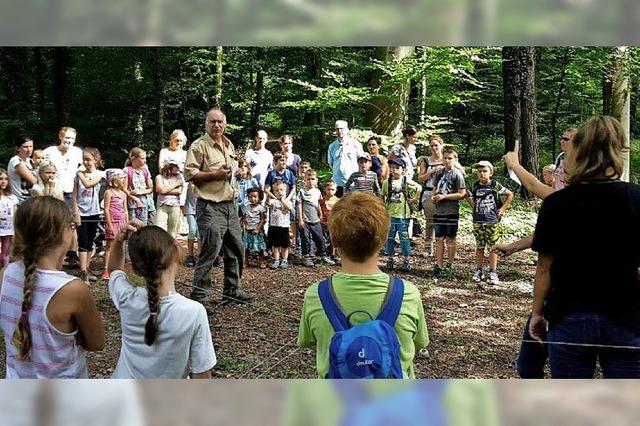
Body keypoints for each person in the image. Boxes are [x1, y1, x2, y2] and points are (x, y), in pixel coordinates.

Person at [529, 116, 640, 378]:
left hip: (568, 317)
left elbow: (544, 269)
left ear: (579, 149)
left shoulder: (556, 203)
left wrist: (537, 313)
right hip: (626, 318)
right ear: (619, 150)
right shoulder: (636, 198)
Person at [297, 192, 429, 378]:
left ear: (333, 240)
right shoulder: (408, 294)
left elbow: (307, 341)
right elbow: (419, 343)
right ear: (383, 239)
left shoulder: (316, 295)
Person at [0, 196, 105, 378]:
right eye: (72, 227)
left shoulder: (5, 274)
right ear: (63, 233)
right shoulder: (73, 290)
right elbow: (97, 343)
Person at [107, 222, 216, 378]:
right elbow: (202, 374)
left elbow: (114, 271)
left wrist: (118, 241)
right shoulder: (193, 312)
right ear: (176, 253)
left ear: (136, 270)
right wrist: (153, 235)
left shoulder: (126, 298)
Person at [184, 108, 254, 315]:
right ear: (206, 124)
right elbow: (190, 175)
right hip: (209, 205)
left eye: (220, 122)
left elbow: (229, 172)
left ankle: (232, 290)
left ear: (225, 124)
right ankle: (199, 297)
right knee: (210, 250)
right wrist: (216, 174)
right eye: (212, 122)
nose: (216, 125)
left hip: (229, 204)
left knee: (236, 248)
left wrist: (239, 172)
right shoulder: (199, 146)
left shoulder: (228, 144)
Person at [466, 161, 513, 285]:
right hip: (478, 220)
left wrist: (502, 209)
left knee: (493, 247)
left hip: (492, 220)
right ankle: (479, 270)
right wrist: (474, 206)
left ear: (491, 172)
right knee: (480, 246)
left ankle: (493, 271)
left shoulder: (494, 185)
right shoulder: (475, 186)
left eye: (484, 171)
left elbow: (509, 194)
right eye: (479, 171)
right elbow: (468, 194)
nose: (482, 173)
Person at [72, 148, 106, 285]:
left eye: (88, 159)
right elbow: (74, 195)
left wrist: (80, 174)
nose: (86, 162)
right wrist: (75, 212)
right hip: (82, 212)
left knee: (90, 240)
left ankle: (87, 268)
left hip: (94, 211)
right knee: (82, 240)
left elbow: (88, 183)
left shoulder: (100, 174)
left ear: (96, 160)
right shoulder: (77, 176)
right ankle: (83, 271)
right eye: (84, 159)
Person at [381, 158, 421, 271]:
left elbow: (419, 188)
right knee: (389, 238)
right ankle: (390, 259)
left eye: (397, 168)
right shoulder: (386, 182)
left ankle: (406, 260)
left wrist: (413, 199)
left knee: (404, 239)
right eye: (392, 168)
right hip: (389, 215)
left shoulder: (406, 181)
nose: (394, 170)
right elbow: (382, 196)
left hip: (404, 215)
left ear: (403, 170)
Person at [431, 147, 466, 277]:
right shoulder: (439, 173)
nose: (447, 160)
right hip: (438, 211)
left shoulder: (457, 174)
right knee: (439, 238)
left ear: (455, 160)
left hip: (451, 211)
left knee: (451, 238)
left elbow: (462, 194)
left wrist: (445, 197)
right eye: (445, 158)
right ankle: (439, 265)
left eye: (450, 158)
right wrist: (434, 197)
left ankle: (449, 265)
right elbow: (434, 189)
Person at [297, 169, 335, 267]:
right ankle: (306, 256)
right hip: (305, 220)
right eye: (308, 179)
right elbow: (299, 205)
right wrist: (300, 219)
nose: (310, 181)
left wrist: (320, 214)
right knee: (305, 239)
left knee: (319, 238)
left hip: (315, 219)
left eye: (313, 179)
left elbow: (318, 204)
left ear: (316, 180)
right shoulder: (301, 191)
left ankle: (323, 255)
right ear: (304, 180)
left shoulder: (317, 191)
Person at [417, 135, 445, 258]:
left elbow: (460, 171)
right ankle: (428, 247)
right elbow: (420, 178)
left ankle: (442, 246)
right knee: (430, 222)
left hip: (445, 194)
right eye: (432, 145)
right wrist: (432, 172)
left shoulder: (448, 159)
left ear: (441, 146)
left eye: (436, 145)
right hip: (428, 194)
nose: (434, 148)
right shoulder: (426, 161)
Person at [43, 127, 83, 206]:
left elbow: (83, 167)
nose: (69, 141)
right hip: (54, 191)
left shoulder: (78, 152)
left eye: (72, 138)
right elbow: (41, 169)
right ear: (60, 137)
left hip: (72, 192)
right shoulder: (49, 151)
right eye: (67, 137)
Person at [101, 169, 129, 280]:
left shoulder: (123, 194)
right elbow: (106, 209)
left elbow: (125, 209)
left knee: (121, 246)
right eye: (121, 178)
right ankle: (106, 269)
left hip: (122, 223)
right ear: (114, 180)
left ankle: (120, 269)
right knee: (110, 246)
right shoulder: (109, 192)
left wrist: (127, 223)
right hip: (113, 222)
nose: (123, 180)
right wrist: (109, 224)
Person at [327, 120, 364, 197]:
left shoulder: (356, 144)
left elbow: (361, 162)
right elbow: (331, 163)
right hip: (337, 184)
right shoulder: (332, 146)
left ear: (347, 129)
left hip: (353, 183)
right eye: (337, 129)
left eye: (342, 128)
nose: (340, 131)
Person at [267, 181, 293, 269]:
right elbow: (268, 203)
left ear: (285, 191)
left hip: (284, 226)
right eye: (277, 191)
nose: (279, 192)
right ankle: (276, 260)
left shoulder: (288, 201)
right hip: (274, 226)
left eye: (281, 190)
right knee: (276, 245)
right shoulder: (273, 201)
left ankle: (284, 260)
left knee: (285, 245)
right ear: (274, 192)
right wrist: (268, 194)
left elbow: (289, 208)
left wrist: (282, 200)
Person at [154, 160, 184, 238]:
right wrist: (176, 184)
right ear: (169, 167)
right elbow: (160, 190)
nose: (178, 168)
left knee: (172, 231)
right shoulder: (159, 177)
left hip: (175, 206)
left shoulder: (179, 177)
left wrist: (165, 190)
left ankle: (170, 248)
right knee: (159, 228)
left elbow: (179, 191)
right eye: (176, 166)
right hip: (162, 205)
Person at [124, 147, 153, 225]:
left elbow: (150, 189)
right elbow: (124, 189)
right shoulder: (127, 170)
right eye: (142, 158)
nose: (145, 160)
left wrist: (140, 192)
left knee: (143, 226)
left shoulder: (145, 171)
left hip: (144, 204)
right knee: (132, 226)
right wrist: (136, 200)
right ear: (134, 158)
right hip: (131, 205)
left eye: (145, 158)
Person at [241, 188, 267, 269]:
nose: (252, 199)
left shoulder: (261, 208)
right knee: (247, 247)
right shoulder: (246, 208)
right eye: (250, 197)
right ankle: (246, 262)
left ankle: (261, 261)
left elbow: (263, 219)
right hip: (248, 230)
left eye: (255, 197)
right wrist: (245, 225)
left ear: (259, 197)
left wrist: (258, 228)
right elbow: (244, 218)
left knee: (260, 247)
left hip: (257, 230)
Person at [7, 136, 37, 204]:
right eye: (25, 147)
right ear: (17, 148)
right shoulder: (16, 160)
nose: (29, 150)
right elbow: (33, 180)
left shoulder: (31, 161)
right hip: (20, 201)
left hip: (32, 200)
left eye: (31, 146)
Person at [0, 169, 18, 268]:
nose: (3, 182)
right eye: (1, 179)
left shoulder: (12, 197)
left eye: (6, 179)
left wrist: (15, 229)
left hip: (8, 230)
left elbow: (15, 214)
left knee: (6, 254)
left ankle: (4, 273)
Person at [319, 179, 340, 263]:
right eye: (328, 189)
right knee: (325, 239)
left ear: (336, 190)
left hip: (334, 223)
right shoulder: (322, 200)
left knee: (334, 239)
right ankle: (325, 255)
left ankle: (333, 254)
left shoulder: (338, 201)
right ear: (324, 189)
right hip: (324, 223)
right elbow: (319, 209)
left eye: (332, 189)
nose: (330, 191)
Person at [183, 183, 199, 268]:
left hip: (201, 209)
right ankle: (190, 255)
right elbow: (194, 189)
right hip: (190, 208)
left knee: (200, 232)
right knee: (192, 230)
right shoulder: (191, 181)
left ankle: (200, 256)